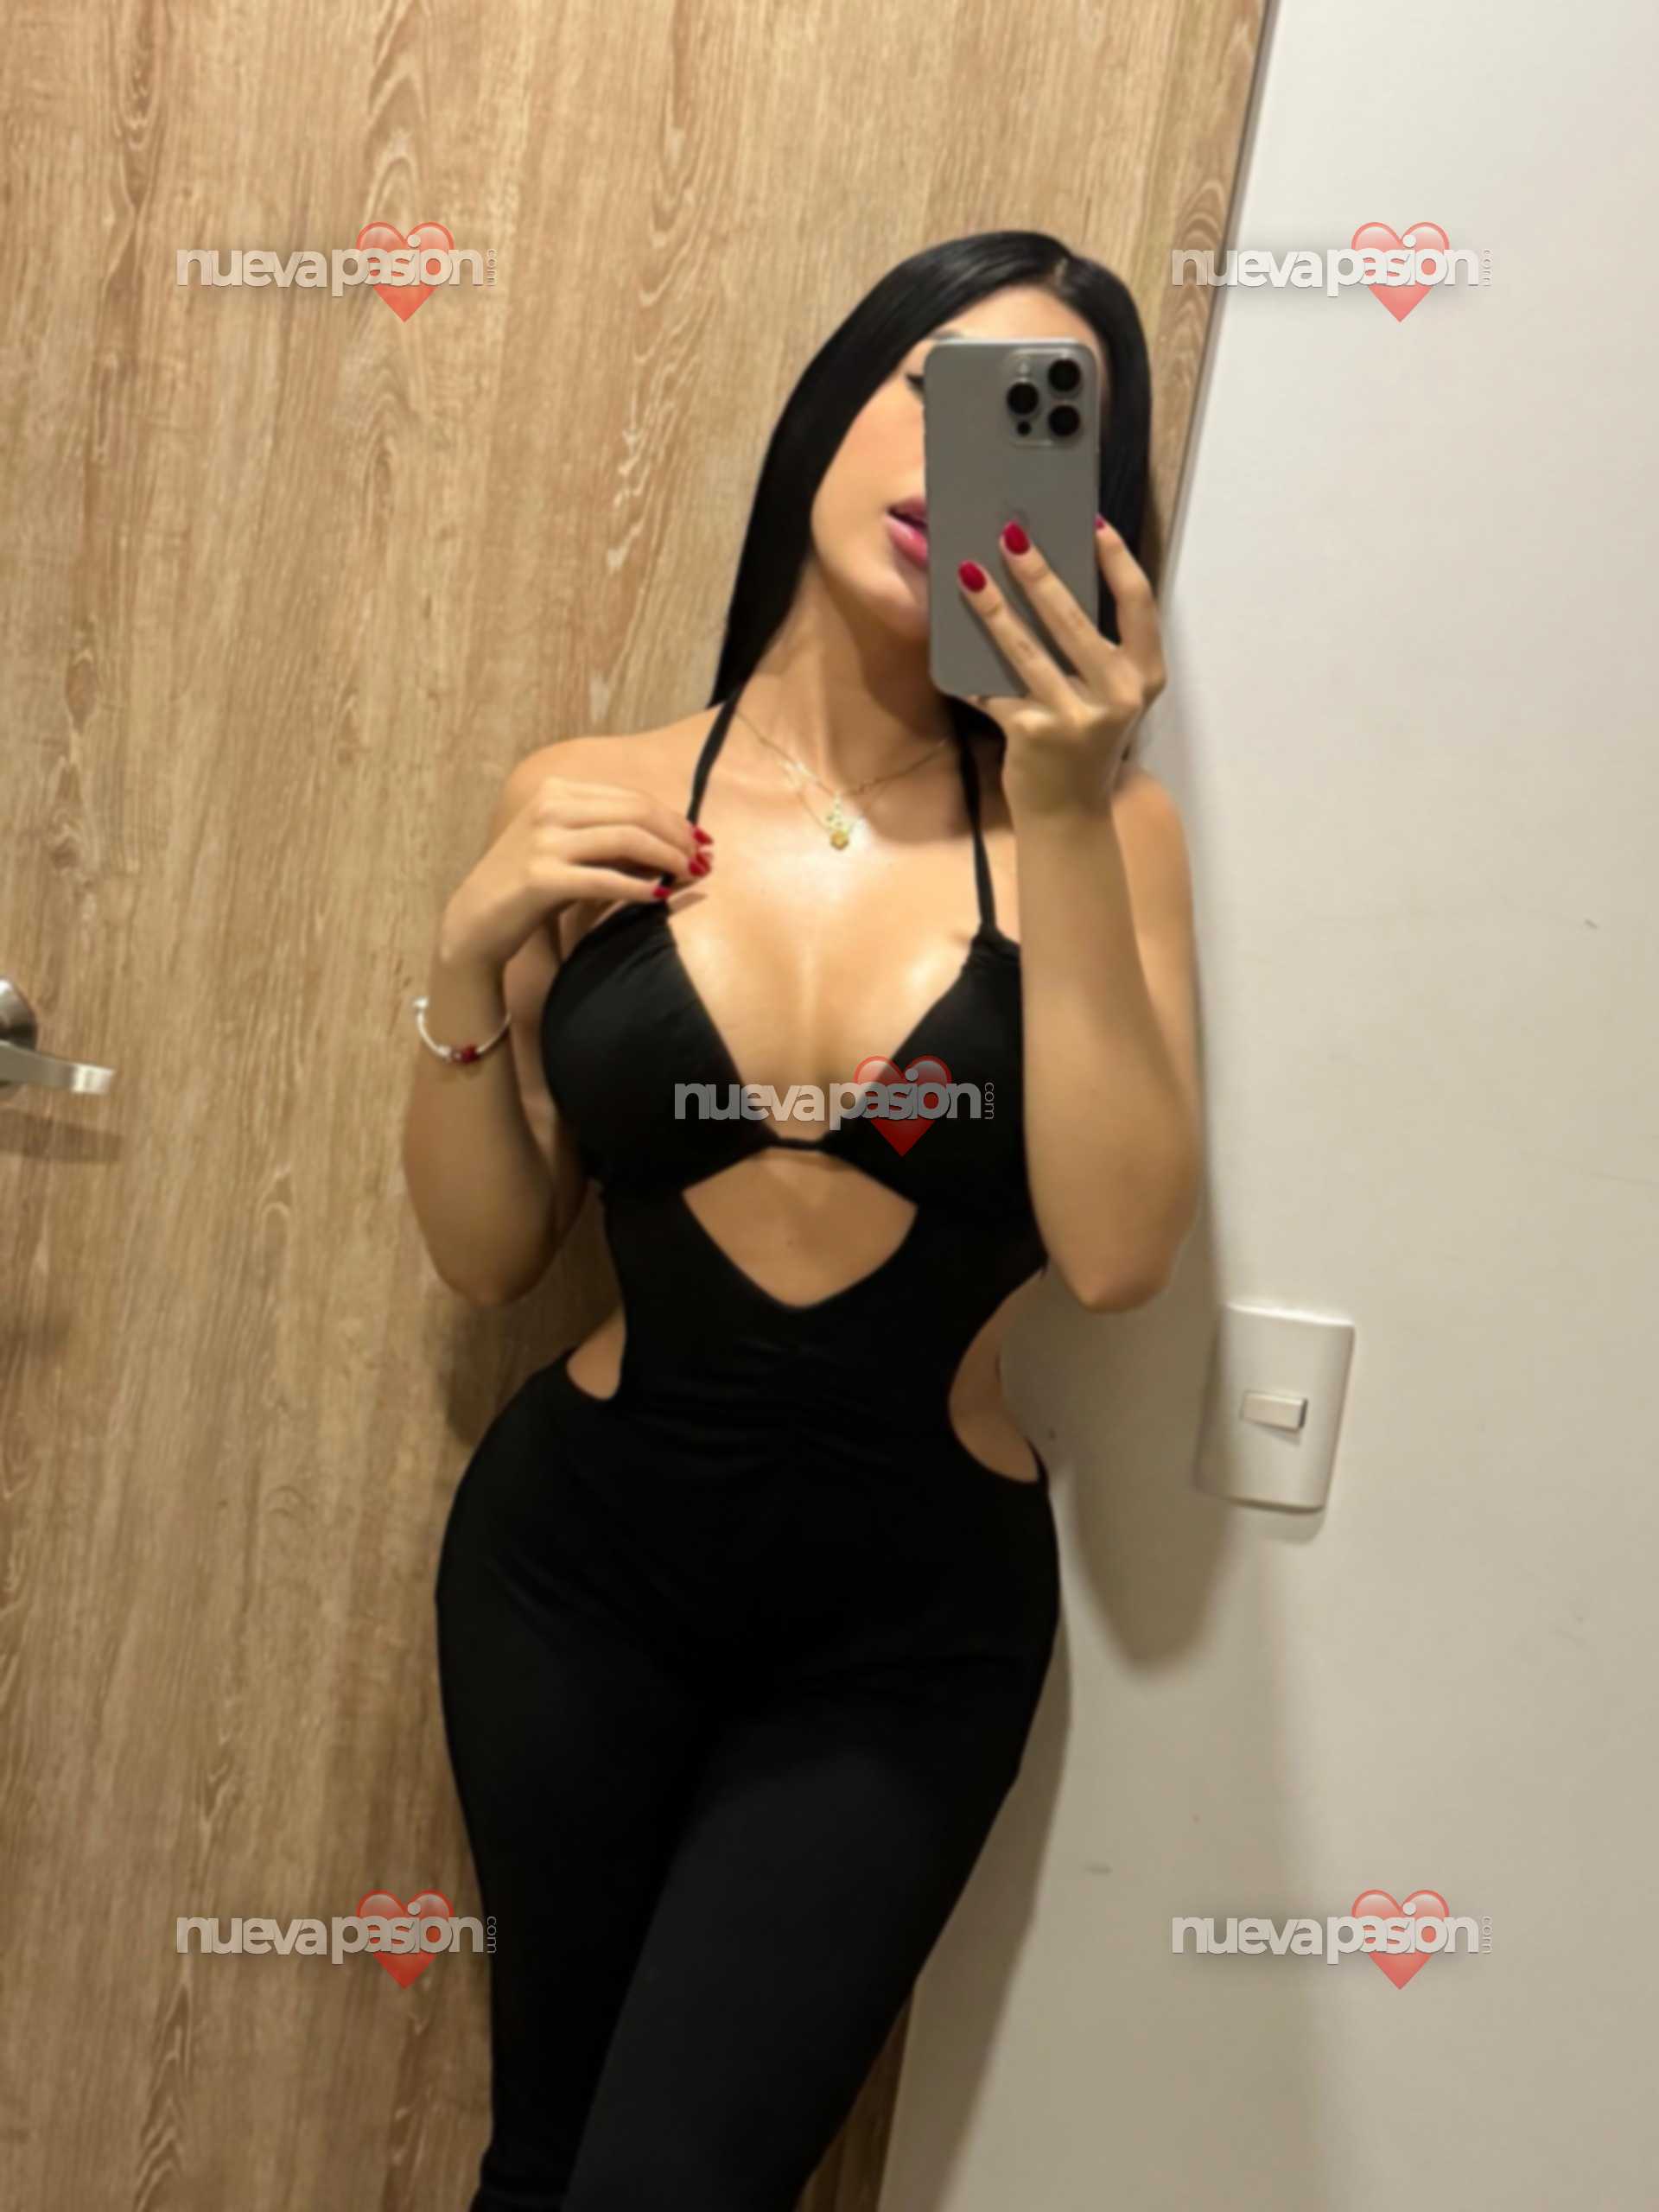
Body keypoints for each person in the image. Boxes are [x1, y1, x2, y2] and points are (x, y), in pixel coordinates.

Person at [404, 228, 1201, 2212]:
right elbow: (493, 1255)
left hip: (901, 1638)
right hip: (570, 1576)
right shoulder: (592, 787)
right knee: (542, 2154)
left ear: (1086, 513)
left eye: (1033, 423)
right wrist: (462, 964)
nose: (957, 455)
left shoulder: (1108, 838)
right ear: (830, 408)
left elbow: (1117, 1254)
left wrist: (1069, 793)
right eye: (929, 387)